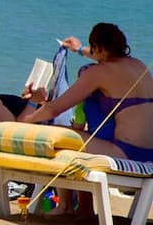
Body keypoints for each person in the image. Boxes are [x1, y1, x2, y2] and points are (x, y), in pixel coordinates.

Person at [19, 23, 152, 162]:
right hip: (150, 153)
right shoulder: (139, 66)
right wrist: (80, 49)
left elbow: (54, 109)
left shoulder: (99, 72)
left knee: (48, 132)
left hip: (125, 152)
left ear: (97, 47)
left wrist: (28, 121)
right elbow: (107, 56)